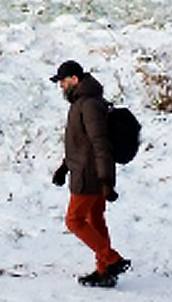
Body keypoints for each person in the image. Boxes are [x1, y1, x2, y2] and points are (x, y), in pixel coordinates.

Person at [49, 60, 130, 287]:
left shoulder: (89, 105)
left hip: (90, 175)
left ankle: (111, 259)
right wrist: (63, 168)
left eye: (63, 82)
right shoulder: (84, 103)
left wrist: (106, 180)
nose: (61, 87)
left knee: (74, 220)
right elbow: (80, 144)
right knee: (95, 219)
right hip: (86, 171)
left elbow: (99, 143)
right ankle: (105, 271)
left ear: (74, 79)